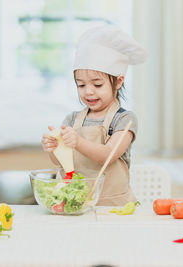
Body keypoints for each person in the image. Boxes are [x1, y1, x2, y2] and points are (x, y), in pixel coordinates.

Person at [41, 25, 147, 206]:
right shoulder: (72, 119)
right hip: (76, 204)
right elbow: (62, 163)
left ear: (118, 81)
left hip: (113, 207)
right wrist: (53, 148)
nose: (88, 92)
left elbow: (108, 155)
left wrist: (78, 142)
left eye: (97, 85)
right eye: (81, 85)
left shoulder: (124, 119)